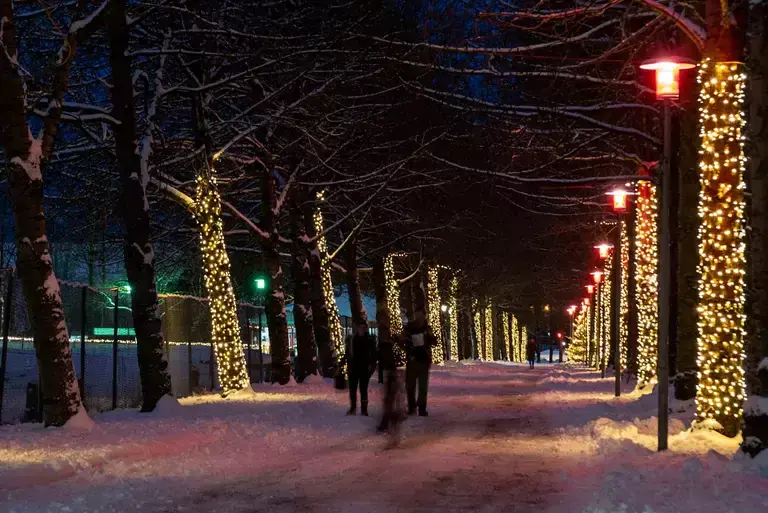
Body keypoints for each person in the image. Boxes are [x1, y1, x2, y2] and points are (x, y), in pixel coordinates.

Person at [404, 308, 435, 416]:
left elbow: (433, 341)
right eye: (418, 315)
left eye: (421, 315)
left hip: (423, 360)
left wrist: (430, 339)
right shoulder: (409, 328)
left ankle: (421, 408)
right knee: (410, 386)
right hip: (413, 360)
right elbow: (404, 342)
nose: (419, 317)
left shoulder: (427, 328)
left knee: (422, 387)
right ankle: (412, 407)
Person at [344, 321, 377, 416]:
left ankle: (364, 409)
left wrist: (371, 368)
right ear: (357, 328)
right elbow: (348, 353)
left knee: (363, 389)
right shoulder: (352, 339)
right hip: (353, 368)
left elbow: (373, 355)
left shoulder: (369, 340)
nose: (362, 329)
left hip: (364, 368)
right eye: (360, 327)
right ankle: (353, 407)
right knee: (353, 389)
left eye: (363, 327)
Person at [377, 333, 405, 433]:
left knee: (391, 396)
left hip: (392, 372)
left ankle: (389, 418)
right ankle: (391, 418)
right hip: (391, 372)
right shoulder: (387, 347)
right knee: (391, 396)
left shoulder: (386, 347)